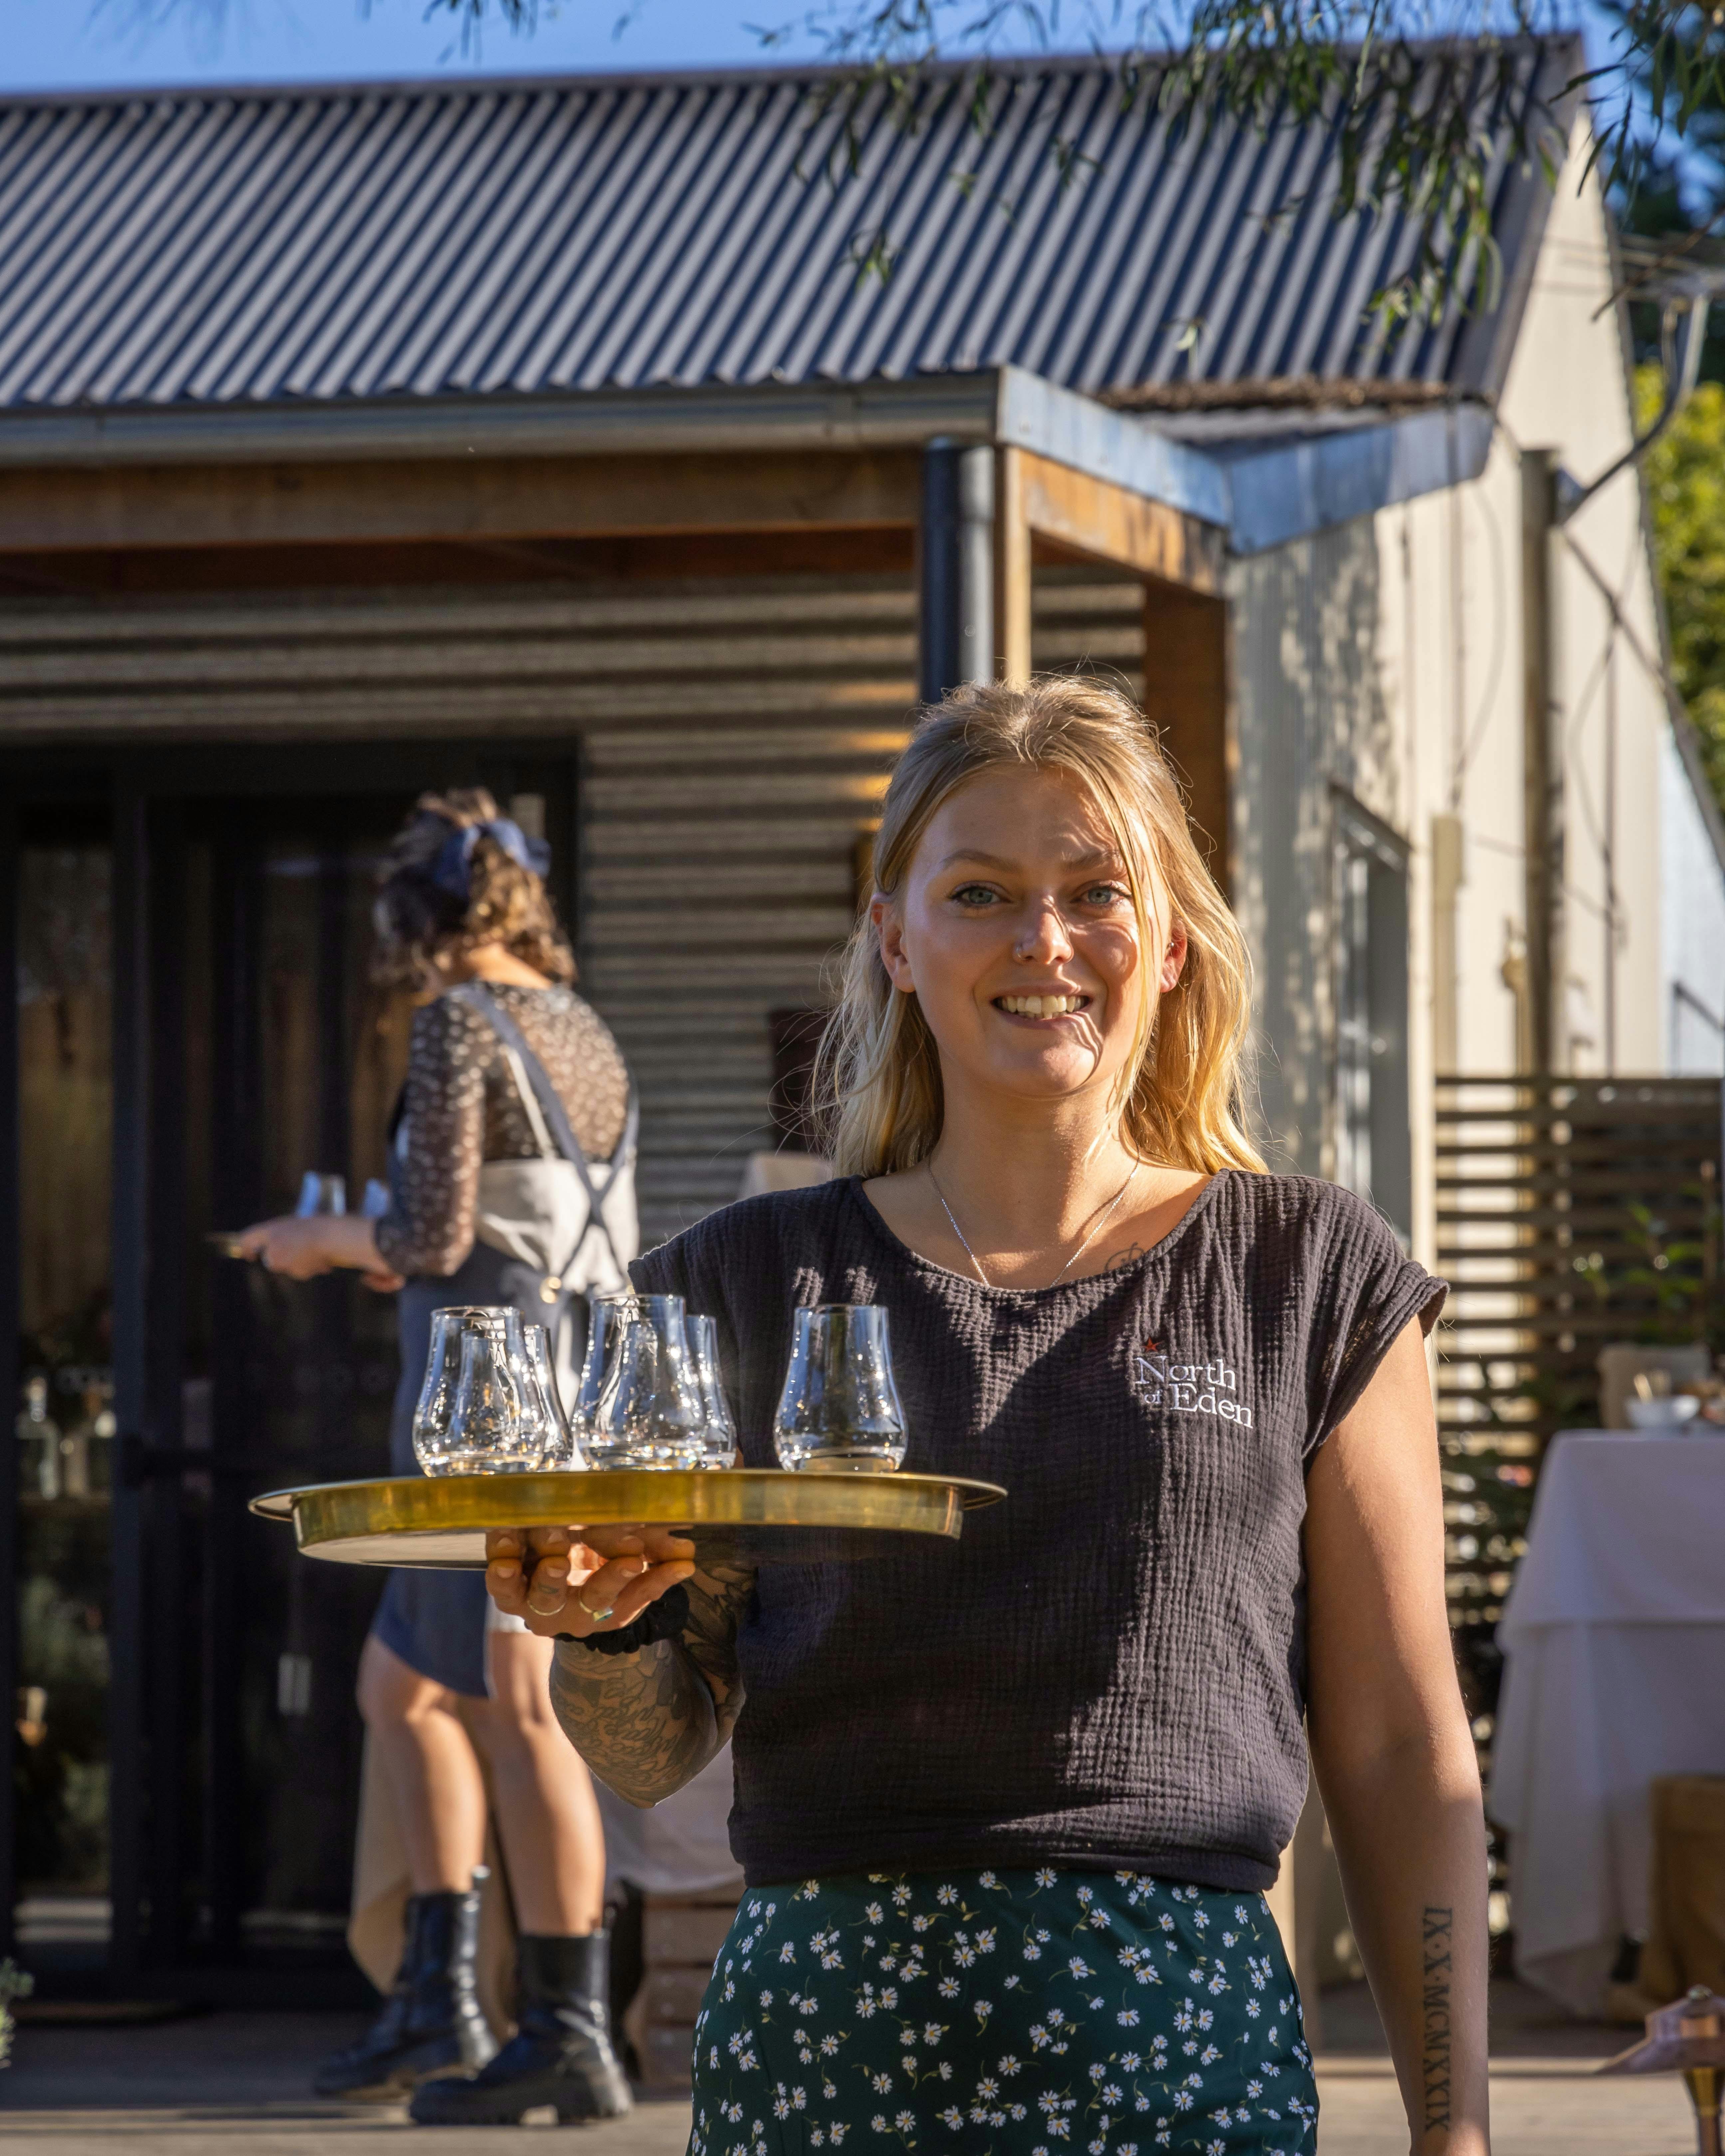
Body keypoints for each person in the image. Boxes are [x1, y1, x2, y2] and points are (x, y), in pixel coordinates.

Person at [486, 677, 1490, 2156]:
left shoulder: (1309, 1272)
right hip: (820, 2068)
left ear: (1169, 940)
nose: (1044, 941)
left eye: (1096, 892)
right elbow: (648, 1750)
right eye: (981, 894)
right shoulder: (733, 1283)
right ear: (896, 939)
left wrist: (1455, 2132)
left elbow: (1404, 1746)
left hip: (1181, 2067)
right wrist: (601, 1633)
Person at [239, 790, 636, 2126]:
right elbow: (521, 1227)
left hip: (493, 1404)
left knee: (521, 1706)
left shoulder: (463, 1021)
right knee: (401, 1686)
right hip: (560, 1379)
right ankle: (438, 1994)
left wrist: (316, 1243)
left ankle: (570, 2031)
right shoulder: (579, 1023)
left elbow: (429, 1235)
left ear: (415, 922)